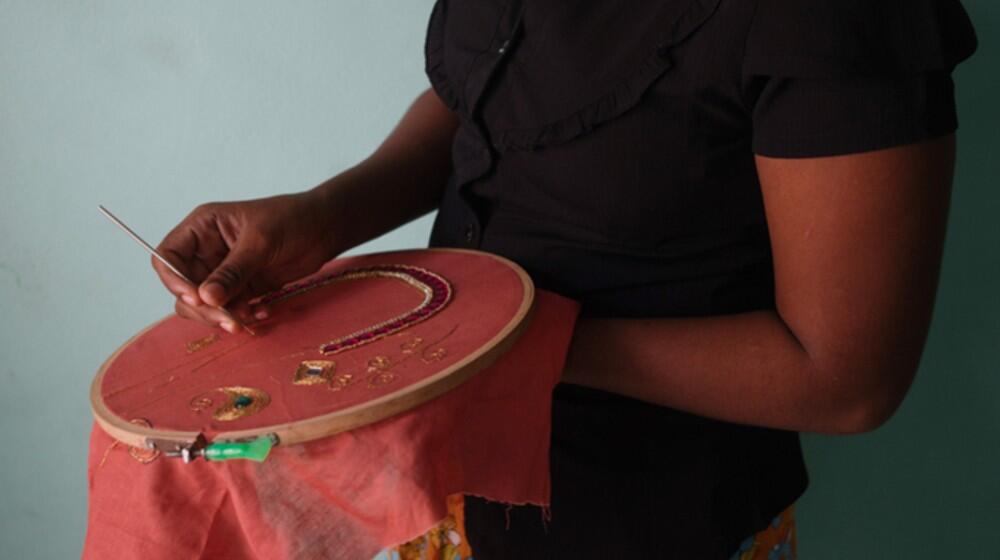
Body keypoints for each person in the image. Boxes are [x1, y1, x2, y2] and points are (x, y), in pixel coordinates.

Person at [152, 1, 978, 558]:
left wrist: (497, 343)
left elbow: (846, 381)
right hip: (446, 490)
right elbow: (482, 102)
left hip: (653, 523)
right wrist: (325, 216)